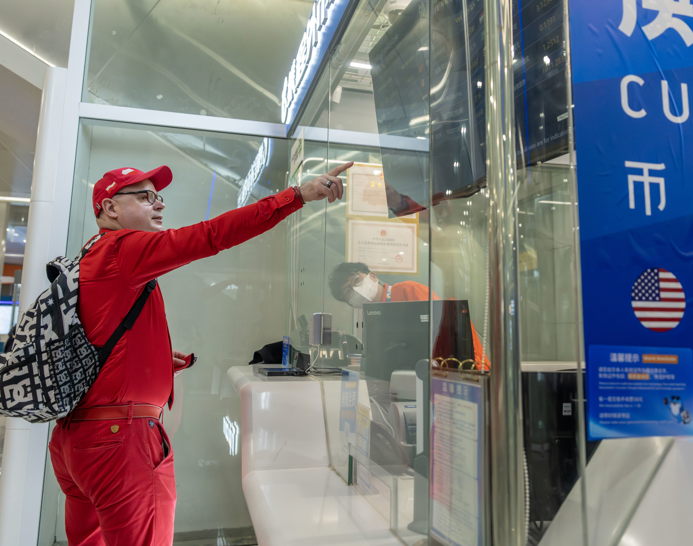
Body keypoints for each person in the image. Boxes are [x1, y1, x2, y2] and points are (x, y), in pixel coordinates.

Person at [48, 161, 352, 546]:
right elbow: (212, 235)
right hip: (119, 441)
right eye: (145, 197)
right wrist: (298, 195)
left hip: (74, 439)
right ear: (110, 209)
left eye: (158, 197)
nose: (158, 205)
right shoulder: (122, 249)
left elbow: (95, 344)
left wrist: (153, 360)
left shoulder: (88, 257)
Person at [327, 262, 490, 370]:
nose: (356, 290)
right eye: (348, 292)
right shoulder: (371, 318)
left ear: (373, 276)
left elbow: (446, 330)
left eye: (357, 280)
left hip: (460, 371)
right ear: (349, 303)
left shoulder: (408, 291)